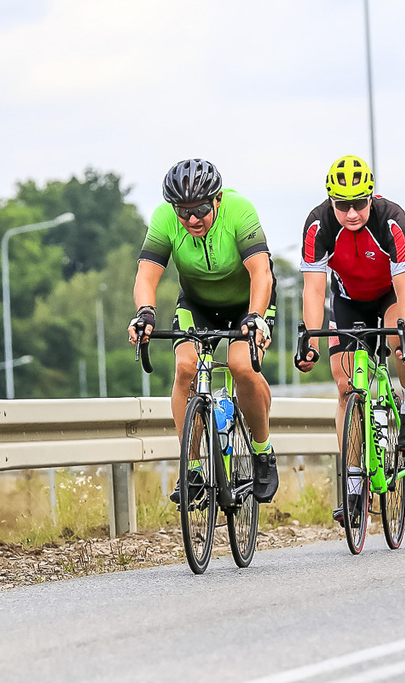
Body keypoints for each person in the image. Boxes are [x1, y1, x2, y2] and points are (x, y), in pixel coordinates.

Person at [128, 158, 279, 504]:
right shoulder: (164, 219)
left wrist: (255, 316)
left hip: (248, 304)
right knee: (185, 368)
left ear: (217, 199)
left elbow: (261, 272)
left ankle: (262, 452)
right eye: (184, 212)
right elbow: (147, 274)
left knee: (242, 366)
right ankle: (192, 468)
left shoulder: (239, 210)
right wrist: (145, 313)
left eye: (200, 210)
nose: (192, 219)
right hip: (197, 304)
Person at [294, 154, 405, 523]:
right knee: (345, 387)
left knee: (401, 343)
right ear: (330, 202)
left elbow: (404, 286)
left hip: (394, 291)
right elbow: (313, 289)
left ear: (371, 198)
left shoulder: (392, 219)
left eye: (359, 204)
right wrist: (311, 342)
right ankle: (354, 486)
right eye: (342, 205)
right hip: (350, 299)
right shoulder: (318, 225)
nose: (351, 213)